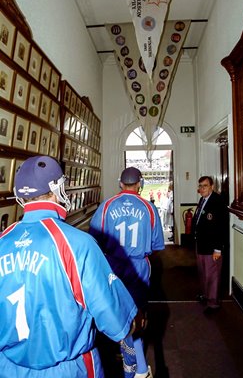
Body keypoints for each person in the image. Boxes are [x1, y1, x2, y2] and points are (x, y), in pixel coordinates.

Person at [0, 155, 138, 378]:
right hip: (68, 369)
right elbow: (118, 320)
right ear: (57, 189)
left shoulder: (2, 242)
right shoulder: (77, 244)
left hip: (7, 367)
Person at [89, 167, 165, 378]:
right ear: (139, 184)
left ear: (121, 183)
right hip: (139, 267)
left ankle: (132, 362)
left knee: (117, 313)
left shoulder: (106, 206)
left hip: (113, 265)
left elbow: (94, 239)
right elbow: (156, 245)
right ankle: (135, 365)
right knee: (137, 317)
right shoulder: (149, 208)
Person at [191, 176, 228, 315]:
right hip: (201, 245)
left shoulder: (218, 202)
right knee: (203, 273)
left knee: (213, 275)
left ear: (212, 186)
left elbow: (221, 228)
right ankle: (206, 295)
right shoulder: (203, 200)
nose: (201, 189)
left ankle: (213, 303)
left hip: (212, 248)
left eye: (205, 186)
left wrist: (218, 249)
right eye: (200, 186)